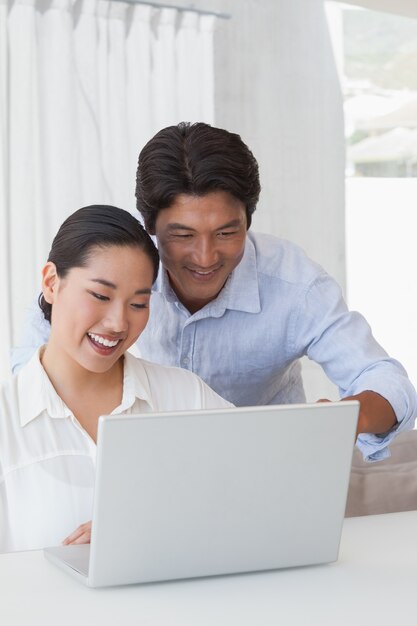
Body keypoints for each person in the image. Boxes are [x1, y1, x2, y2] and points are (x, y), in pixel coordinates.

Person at [12, 123, 417, 462]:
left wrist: (347, 417)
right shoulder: (113, 263)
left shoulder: (296, 286)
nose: (205, 257)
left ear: (248, 220)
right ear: (151, 226)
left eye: (227, 232)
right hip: (140, 473)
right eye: (182, 235)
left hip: (261, 469)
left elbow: (387, 381)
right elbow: (28, 372)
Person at [0, 205, 231, 553]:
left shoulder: (187, 398)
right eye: (101, 296)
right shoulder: (8, 420)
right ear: (51, 283)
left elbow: (261, 500)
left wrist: (155, 526)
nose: (118, 323)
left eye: (138, 304)